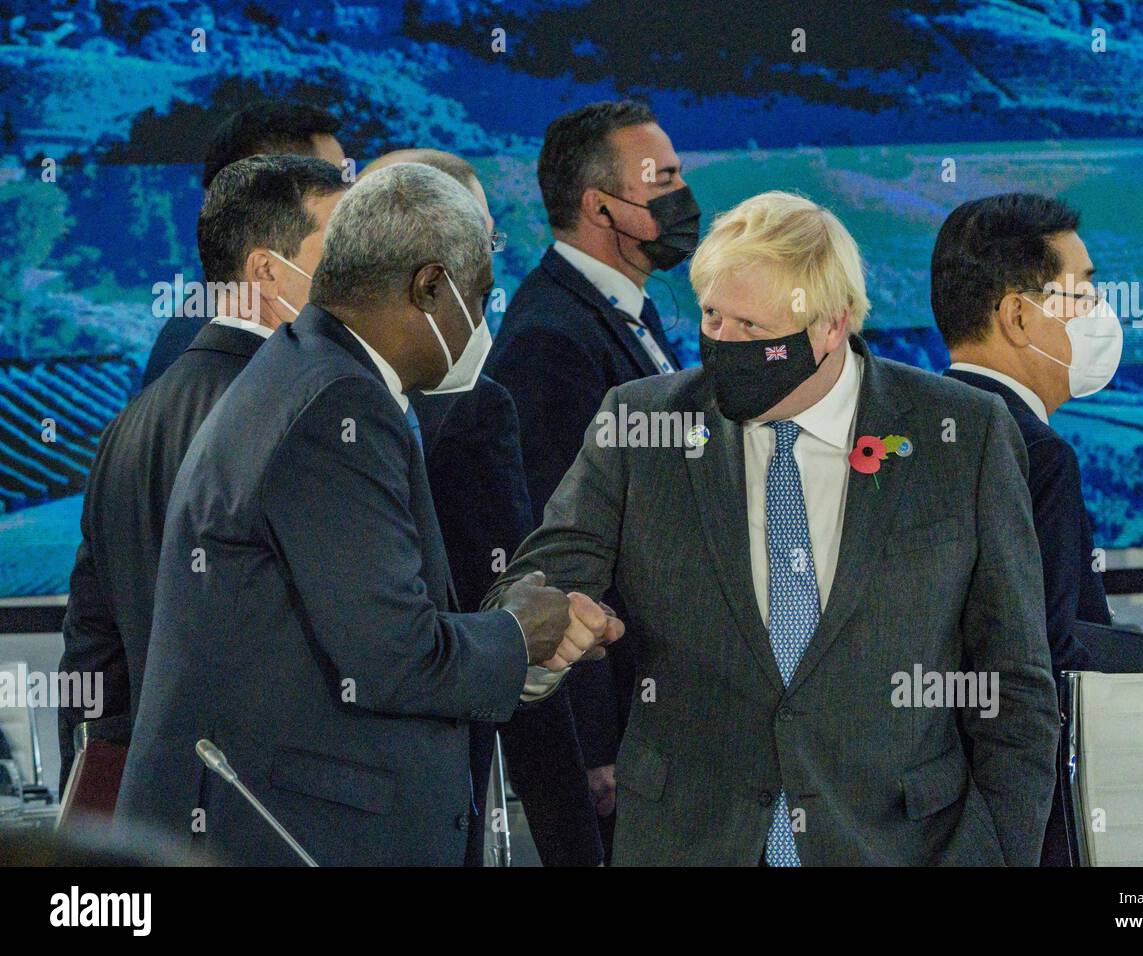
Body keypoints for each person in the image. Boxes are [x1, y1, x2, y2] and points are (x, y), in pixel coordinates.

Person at [485, 191, 1059, 866]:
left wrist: (997, 853)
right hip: (690, 843)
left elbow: (1016, 684)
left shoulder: (962, 433)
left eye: (752, 331)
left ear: (830, 326)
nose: (722, 344)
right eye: (710, 318)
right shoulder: (641, 427)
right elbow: (532, 592)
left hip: (905, 846)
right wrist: (540, 631)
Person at [115, 163, 620, 866]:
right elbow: (395, 659)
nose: (482, 326)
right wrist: (519, 632)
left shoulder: (308, 369)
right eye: (478, 300)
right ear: (429, 288)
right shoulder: (336, 405)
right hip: (292, 836)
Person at [58, 155, 348, 790]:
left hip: (163, 807)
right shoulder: (304, 413)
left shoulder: (128, 426)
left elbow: (92, 649)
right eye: (340, 247)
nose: (357, 269)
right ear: (268, 271)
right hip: (284, 811)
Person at [358, 149, 600, 866]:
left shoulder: (308, 389)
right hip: (446, 752)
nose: (488, 261)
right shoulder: (475, 407)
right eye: (479, 240)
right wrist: (571, 835)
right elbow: (518, 604)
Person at [486, 99, 697, 860]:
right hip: (617, 736)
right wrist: (593, 742)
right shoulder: (552, 338)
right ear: (599, 205)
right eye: (665, 179)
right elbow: (556, 553)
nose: (683, 198)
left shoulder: (626, 314)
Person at [931, 192, 1117, 864]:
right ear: (1017, 315)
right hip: (1019, 818)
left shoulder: (903, 429)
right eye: (1084, 293)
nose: (1099, 315)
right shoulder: (1034, 454)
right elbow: (1046, 666)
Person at [141, 99, 346, 388]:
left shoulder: (235, 330)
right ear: (266, 191)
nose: (349, 204)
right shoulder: (219, 358)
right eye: (332, 183)